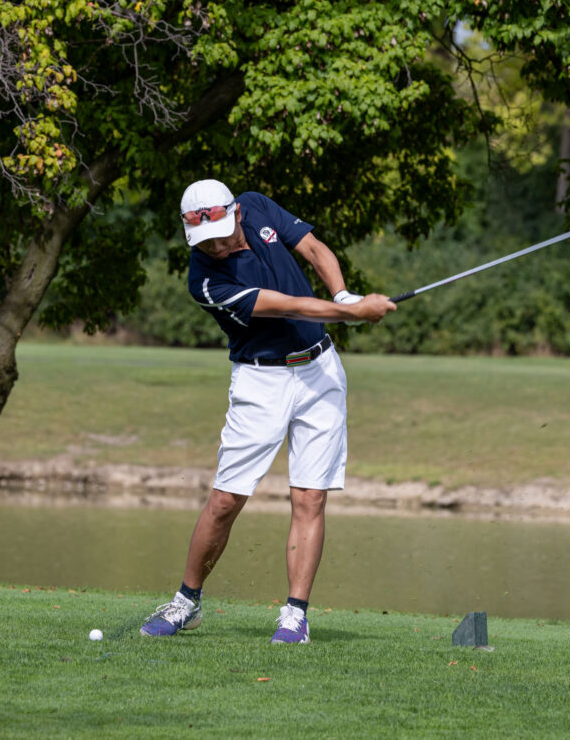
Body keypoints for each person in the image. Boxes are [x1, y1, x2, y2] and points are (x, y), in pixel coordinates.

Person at [140, 178, 396, 644]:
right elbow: (290, 307)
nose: (215, 247)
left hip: (320, 372)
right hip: (261, 382)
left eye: (220, 235)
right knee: (226, 500)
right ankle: (186, 602)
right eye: (204, 241)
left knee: (310, 497)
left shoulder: (256, 205)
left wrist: (343, 295)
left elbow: (313, 248)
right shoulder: (205, 280)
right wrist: (355, 313)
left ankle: (295, 616)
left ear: (236, 213)